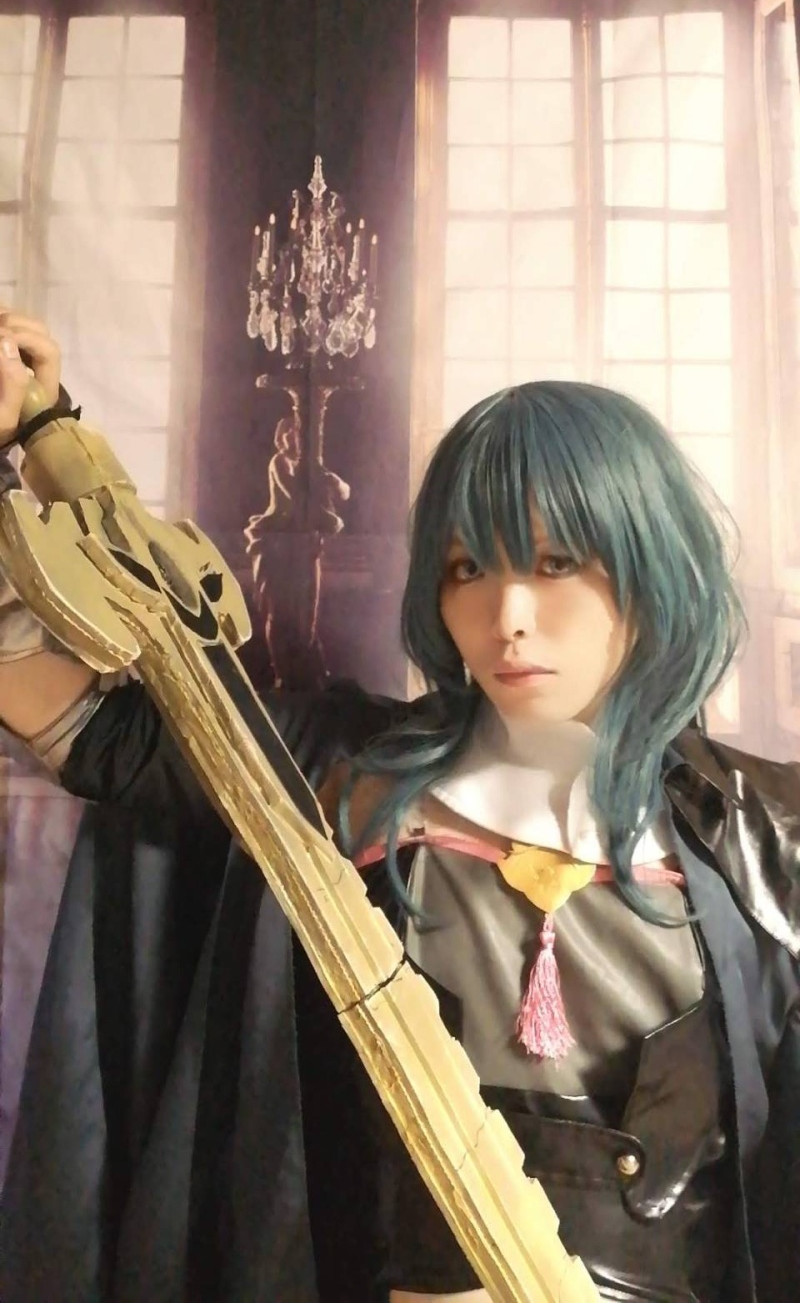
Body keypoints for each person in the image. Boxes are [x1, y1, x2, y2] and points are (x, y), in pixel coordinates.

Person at [0, 304, 798, 1303]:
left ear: (649, 562)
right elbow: (88, 725)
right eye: (469, 568)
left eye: (556, 563)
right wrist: (28, 435)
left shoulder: (769, 841)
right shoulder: (339, 771)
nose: (506, 617)